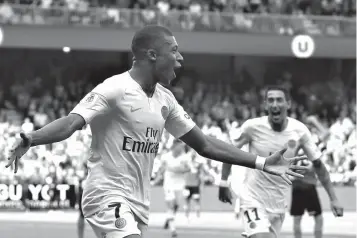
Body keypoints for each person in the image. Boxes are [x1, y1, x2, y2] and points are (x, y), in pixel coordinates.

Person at [6, 25, 307, 238]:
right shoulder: (115, 89)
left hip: (139, 202)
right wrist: (31, 138)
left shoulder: (165, 100)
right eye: (174, 51)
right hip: (105, 193)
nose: (180, 58)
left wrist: (262, 162)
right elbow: (72, 122)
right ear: (152, 54)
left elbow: (205, 145)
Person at [218, 86, 344, 238]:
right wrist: (223, 182)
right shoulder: (252, 127)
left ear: (288, 104)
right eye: (270, 100)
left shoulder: (300, 131)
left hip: (278, 204)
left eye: (279, 100)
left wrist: (334, 198)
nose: (275, 104)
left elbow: (318, 165)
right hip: (252, 199)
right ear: (265, 105)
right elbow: (229, 152)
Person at [290, 115, 330, 238]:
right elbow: (327, 134)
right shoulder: (312, 143)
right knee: (318, 218)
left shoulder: (293, 143)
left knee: (297, 219)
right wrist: (315, 121)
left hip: (296, 183)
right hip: (308, 184)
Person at [151, 139, 190, 238]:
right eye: (180, 146)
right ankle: (173, 230)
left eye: (182, 147)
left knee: (176, 205)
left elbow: (188, 168)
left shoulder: (184, 157)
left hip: (180, 185)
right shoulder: (165, 157)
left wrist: (179, 170)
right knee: (171, 205)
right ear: (174, 146)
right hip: (169, 185)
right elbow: (161, 170)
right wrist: (155, 181)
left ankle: (168, 219)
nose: (182, 148)